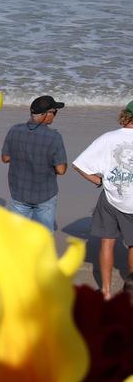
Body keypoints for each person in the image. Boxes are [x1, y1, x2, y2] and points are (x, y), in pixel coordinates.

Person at [72, 101, 133, 299]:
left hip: (110, 198)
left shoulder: (108, 138)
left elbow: (80, 164)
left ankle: (105, 291)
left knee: (107, 242)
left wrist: (98, 180)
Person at [1, 95, 68, 231]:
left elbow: (5, 158)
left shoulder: (14, 130)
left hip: (19, 192)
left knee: (17, 235)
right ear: (46, 115)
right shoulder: (54, 137)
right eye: (54, 112)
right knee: (43, 236)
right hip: (45, 194)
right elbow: (61, 170)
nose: (54, 116)